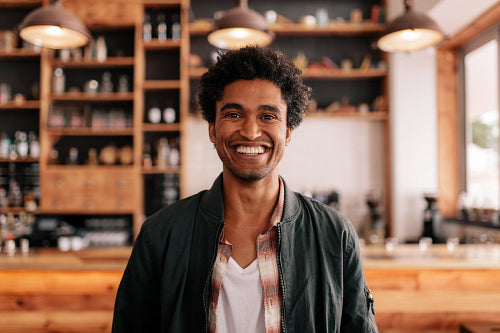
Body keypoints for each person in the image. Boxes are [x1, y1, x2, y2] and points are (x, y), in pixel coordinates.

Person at [112, 46, 378, 332]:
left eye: (268, 116)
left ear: (288, 132)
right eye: (235, 115)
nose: (251, 132)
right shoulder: (160, 236)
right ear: (212, 129)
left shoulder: (335, 235)